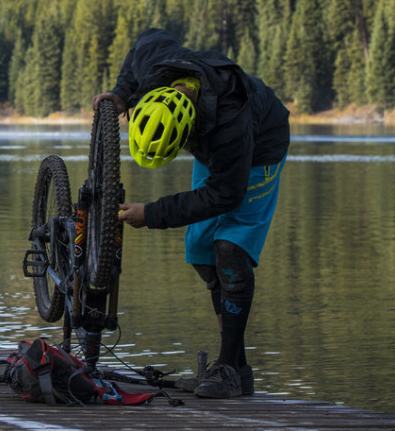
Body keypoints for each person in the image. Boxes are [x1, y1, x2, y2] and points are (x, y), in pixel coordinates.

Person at [92, 28, 289, 399]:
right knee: (201, 251)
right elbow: (146, 38)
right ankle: (236, 369)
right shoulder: (155, 67)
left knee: (230, 249)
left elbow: (225, 195)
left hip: (260, 147)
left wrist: (150, 213)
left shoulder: (232, 122)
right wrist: (120, 93)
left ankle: (229, 366)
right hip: (212, 145)